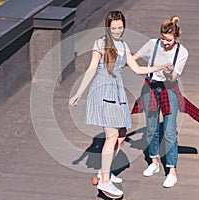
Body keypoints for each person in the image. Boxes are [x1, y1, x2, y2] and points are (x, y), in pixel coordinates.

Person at [69, 10, 172, 196]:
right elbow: (92, 69)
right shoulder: (100, 43)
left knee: (122, 134)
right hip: (103, 90)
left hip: (117, 91)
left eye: (120, 27)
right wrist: (78, 93)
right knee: (111, 136)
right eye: (114, 28)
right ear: (108, 27)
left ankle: (103, 172)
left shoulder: (123, 45)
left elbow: (138, 69)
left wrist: (160, 67)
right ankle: (105, 181)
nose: (117, 31)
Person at [132, 16, 199, 188]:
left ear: (176, 38)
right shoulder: (152, 44)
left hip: (169, 89)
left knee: (170, 132)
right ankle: (154, 162)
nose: (165, 43)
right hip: (150, 88)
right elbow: (134, 58)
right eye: (163, 38)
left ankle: (172, 171)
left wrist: (167, 72)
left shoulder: (182, 53)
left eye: (169, 40)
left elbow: (172, 79)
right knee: (151, 128)